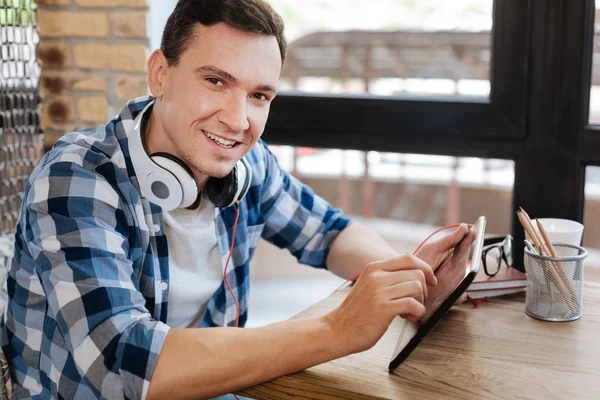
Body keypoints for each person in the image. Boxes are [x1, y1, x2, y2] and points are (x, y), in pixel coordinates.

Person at [1, 0, 469, 398]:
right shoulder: (77, 176)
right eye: (216, 82)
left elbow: (329, 233)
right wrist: (338, 330)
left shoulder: (247, 165)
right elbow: (124, 362)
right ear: (160, 74)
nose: (238, 120)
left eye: (259, 95)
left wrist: (410, 281)